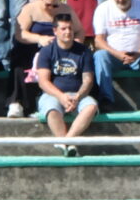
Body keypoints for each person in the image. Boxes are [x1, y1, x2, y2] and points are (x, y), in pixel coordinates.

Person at [34, 16, 101, 152]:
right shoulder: (46, 51)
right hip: (53, 94)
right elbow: (43, 82)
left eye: (70, 28)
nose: (68, 32)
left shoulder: (84, 51)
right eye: (63, 29)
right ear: (55, 31)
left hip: (78, 94)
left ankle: (66, 141)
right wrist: (61, 96)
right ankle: (69, 145)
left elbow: (88, 80)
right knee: (51, 110)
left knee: (91, 107)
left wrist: (78, 96)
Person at [91, 0, 140, 102]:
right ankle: (106, 99)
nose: (121, 0)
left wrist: (138, 53)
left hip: (139, 56)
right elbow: (98, 41)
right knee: (100, 56)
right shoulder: (103, 9)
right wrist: (118, 54)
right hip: (114, 57)